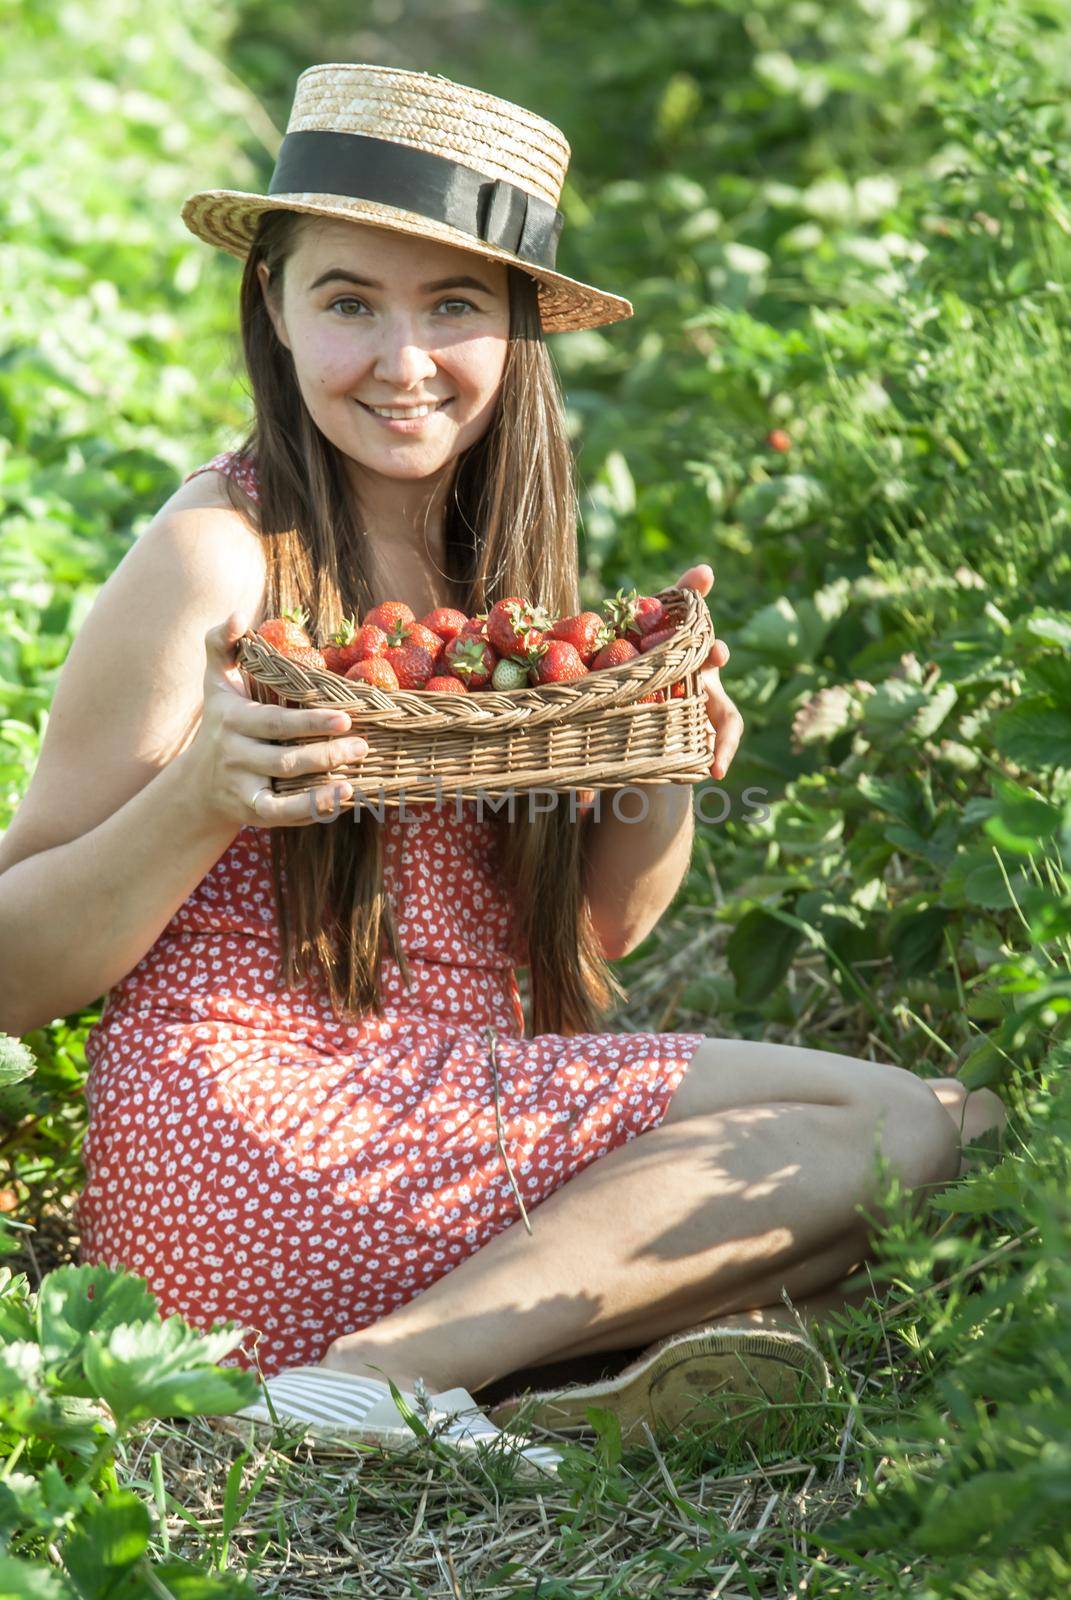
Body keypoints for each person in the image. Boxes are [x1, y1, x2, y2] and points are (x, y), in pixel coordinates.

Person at [0, 63, 1005, 1462]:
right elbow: (11, 970)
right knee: (897, 1123)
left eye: (454, 306)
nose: (402, 362)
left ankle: (525, 1378)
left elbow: (581, 953)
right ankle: (378, 1377)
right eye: (350, 300)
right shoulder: (215, 558)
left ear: (522, 330)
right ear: (273, 309)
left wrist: (653, 774)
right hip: (250, 1146)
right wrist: (197, 799)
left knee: (966, 1128)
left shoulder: (501, 573)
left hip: (436, 1114)